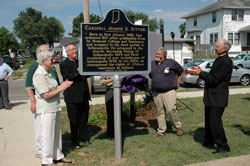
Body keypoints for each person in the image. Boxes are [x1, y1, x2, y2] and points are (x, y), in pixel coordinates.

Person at [189, 39, 232, 154]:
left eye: (217, 46)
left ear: (224, 49)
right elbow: (213, 76)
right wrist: (201, 71)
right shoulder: (219, 59)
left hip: (217, 98)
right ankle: (209, 141)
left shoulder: (226, 62)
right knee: (208, 121)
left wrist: (200, 74)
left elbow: (215, 80)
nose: (215, 48)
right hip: (211, 97)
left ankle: (223, 146)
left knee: (215, 122)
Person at [33, 49, 73, 166]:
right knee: (47, 135)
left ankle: (58, 155)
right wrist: (61, 88)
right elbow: (46, 95)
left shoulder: (49, 72)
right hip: (46, 110)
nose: (53, 61)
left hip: (54, 108)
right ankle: (46, 160)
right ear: (44, 61)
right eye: (51, 60)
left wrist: (61, 86)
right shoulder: (39, 74)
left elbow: (53, 89)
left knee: (56, 134)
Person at [25, 44, 59, 158]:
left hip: (52, 103)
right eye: (48, 51)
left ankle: (53, 152)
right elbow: (29, 86)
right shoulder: (35, 66)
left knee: (48, 130)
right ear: (41, 53)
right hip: (41, 103)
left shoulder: (50, 67)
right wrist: (33, 102)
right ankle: (40, 151)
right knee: (41, 129)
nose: (50, 54)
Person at [60, 44, 91, 148]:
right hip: (72, 97)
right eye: (72, 49)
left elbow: (87, 75)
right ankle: (75, 141)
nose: (75, 51)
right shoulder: (64, 64)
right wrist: (78, 70)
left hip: (83, 95)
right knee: (74, 120)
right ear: (67, 52)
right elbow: (67, 77)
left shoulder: (79, 62)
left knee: (84, 118)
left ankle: (84, 137)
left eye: (75, 49)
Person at [150, 47, 184, 137]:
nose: (157, 55)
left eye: (159, 54)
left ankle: (178, 127)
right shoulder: (153, 64)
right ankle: (161, 131)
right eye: (157, 53)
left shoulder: (171, 62)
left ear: (164, 55)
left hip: (169, 91)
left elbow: (181, 71)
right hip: (157, 92)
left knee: (171, 110)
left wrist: (178, 81)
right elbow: (151, 75)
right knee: (160, 112)